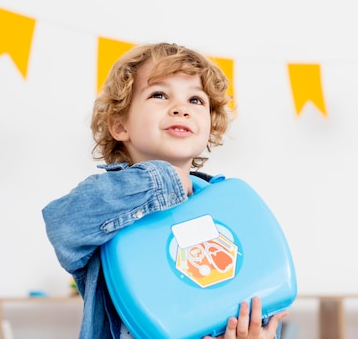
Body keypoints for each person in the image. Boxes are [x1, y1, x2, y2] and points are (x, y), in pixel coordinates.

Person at [42, 42, 288, 339]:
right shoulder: (104, 198)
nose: (181, 108)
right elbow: (64, 226)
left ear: (210, 126)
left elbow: (249, 288)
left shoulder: (227, 204)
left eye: (196, 100)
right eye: (159, 94)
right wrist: (164, 180)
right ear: (120, 126)